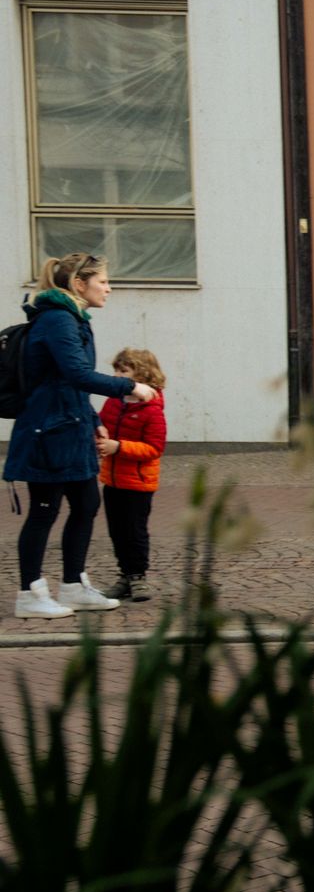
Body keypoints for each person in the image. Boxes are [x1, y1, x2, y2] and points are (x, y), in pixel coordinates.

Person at [5, 255, 154, 619]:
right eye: (102, 280)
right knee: (44, 511)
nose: (108, 287)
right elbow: (76, 373)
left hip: (69, 428)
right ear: (78, 284)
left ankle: (73, 585)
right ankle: (30, 593)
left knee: (86, 503)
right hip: (48, 433)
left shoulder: (71, 319)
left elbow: (62, 379)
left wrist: (90, 419)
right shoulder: (58, 320)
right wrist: (130, 386)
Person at [98, 347, 169, 604]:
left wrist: (119, 447)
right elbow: (101, 422)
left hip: (138, 483)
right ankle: (126, 575)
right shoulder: (114, 401)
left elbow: (154, 448)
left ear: (142, 374)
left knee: (135, 531)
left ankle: (138, 576)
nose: (117, 375)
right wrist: (99, 432)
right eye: (116, 370)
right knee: (117, 530)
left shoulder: (152, 409)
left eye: (123, 371)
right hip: (113, 480)